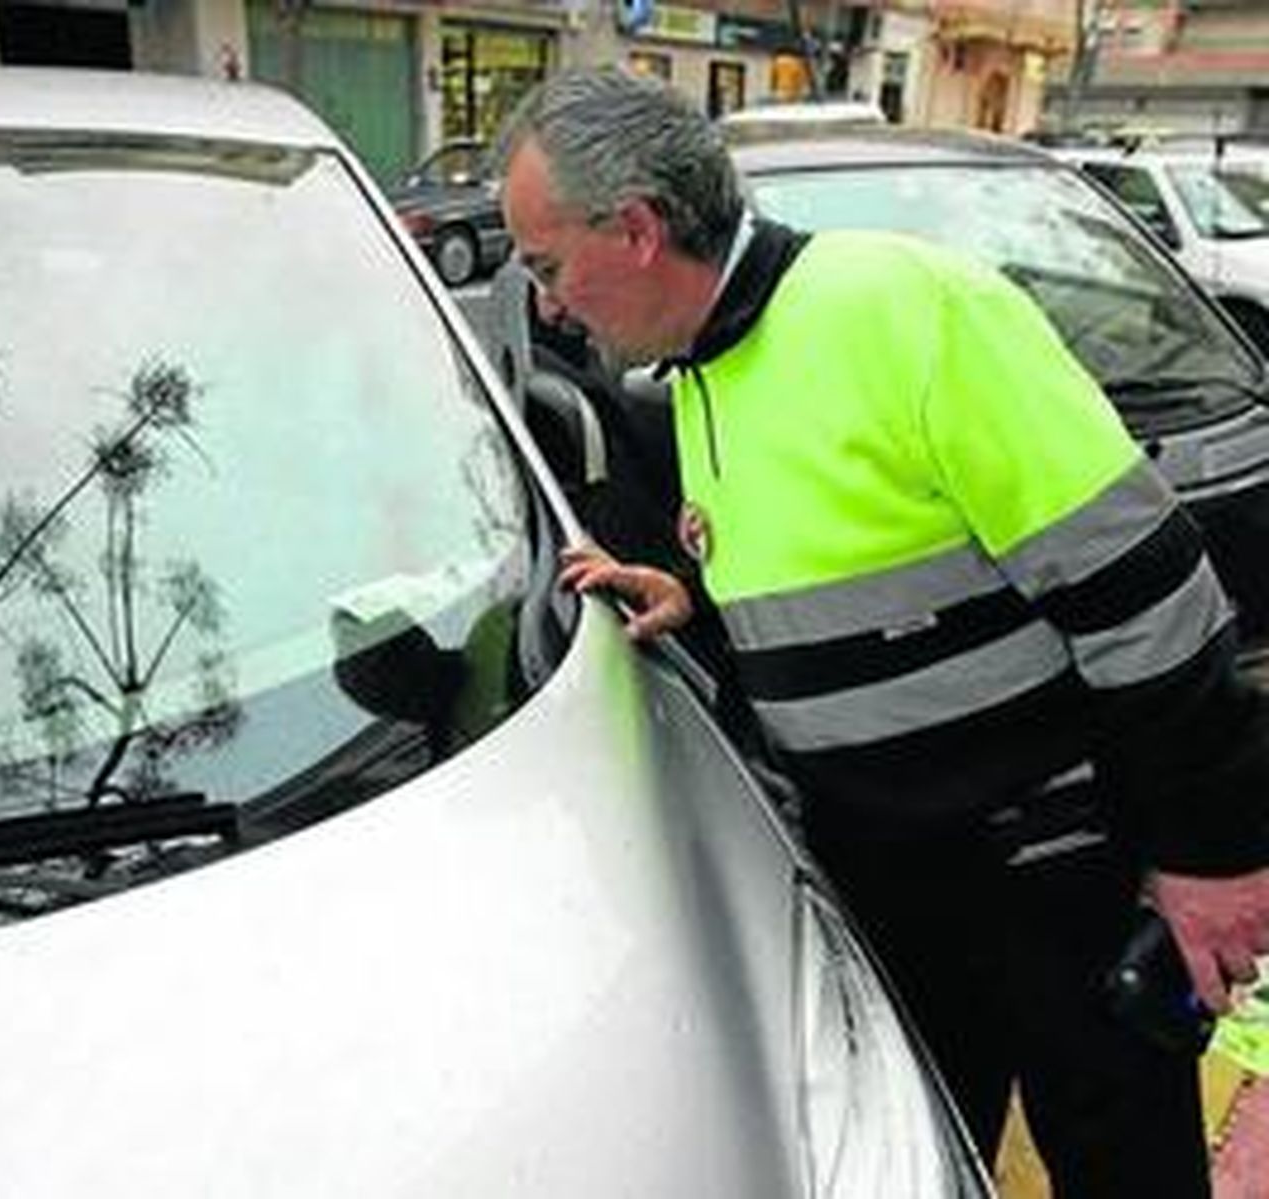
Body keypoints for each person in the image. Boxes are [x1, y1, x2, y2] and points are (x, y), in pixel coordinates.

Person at [496, 67, 1269, 1196]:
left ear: (638, 230)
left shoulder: (908, 309)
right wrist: (699, 597)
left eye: (547, 266)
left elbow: (1148, 593)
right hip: (904, 885)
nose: (549, 306)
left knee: (1124, 1168)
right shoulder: (706, 367)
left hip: (1053, 877)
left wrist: (1211, 855)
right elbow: (851, 545)